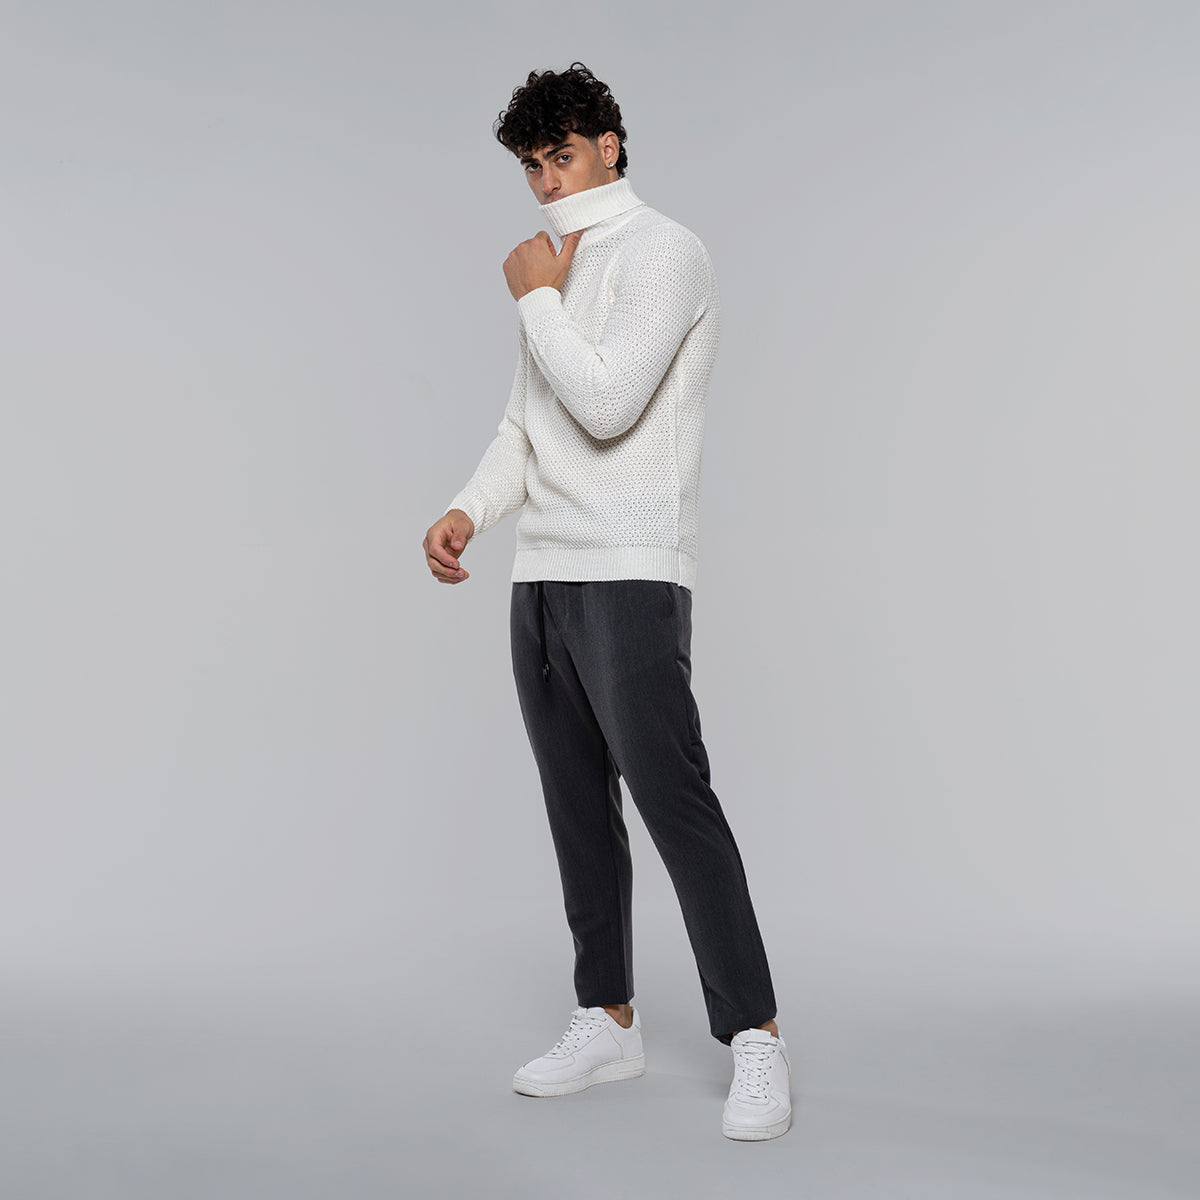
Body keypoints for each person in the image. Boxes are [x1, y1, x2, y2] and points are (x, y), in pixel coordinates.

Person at [422, 62, 791, 1141]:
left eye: (564, 156)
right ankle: (609, 1018)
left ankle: (756, 1034)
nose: (548, 181)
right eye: (532, 166)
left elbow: (608, 402)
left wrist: (534, 294)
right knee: (575, 804)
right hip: (542, 571)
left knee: (674, 801)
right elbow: (528, 421)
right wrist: (469, 509)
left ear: (610, 146)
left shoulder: (665, 251)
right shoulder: (557, 266)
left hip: (630, 566)